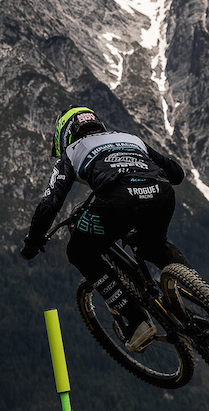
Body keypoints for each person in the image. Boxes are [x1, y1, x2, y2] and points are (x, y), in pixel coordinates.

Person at [20, 107, 185, 351]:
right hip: (162, 193)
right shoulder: (130, 138)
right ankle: (202, 292)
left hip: (117, 199)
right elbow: (177, 174)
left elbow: (50, 203)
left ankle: (137, 320)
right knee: (153, 244)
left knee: (79, 252)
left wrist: (33, 242)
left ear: (65, 134)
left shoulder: (72, 150)